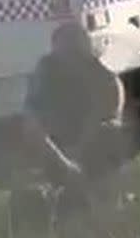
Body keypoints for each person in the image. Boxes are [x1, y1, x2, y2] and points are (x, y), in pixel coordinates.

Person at [23, 21, 126, 182]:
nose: (67, 57)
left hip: (93, 144)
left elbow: (99, 120)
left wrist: (77, 156)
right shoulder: (46, 71)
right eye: (62, 51)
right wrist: (64, 162)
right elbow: (32, 119)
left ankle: (106, 185)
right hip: (58, 147)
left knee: (110, 133)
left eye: (73, 51)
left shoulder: (106, 80)